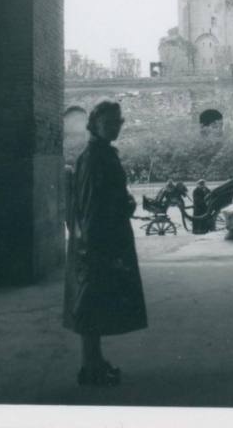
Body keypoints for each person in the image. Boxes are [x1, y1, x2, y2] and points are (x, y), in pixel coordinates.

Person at [63, 99, 147, 386]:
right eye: (109, 122)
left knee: (97, 302)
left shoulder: (103, 154)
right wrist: (95, 247)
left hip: (106, 238)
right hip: (98, 241)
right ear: (94, 123)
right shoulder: (93, 158)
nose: (115, 127)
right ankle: (90, 366)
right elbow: (88, 206)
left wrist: (125, 202)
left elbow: (109, 195)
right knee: (90, 301)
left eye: (118, 122)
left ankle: (95, 360)